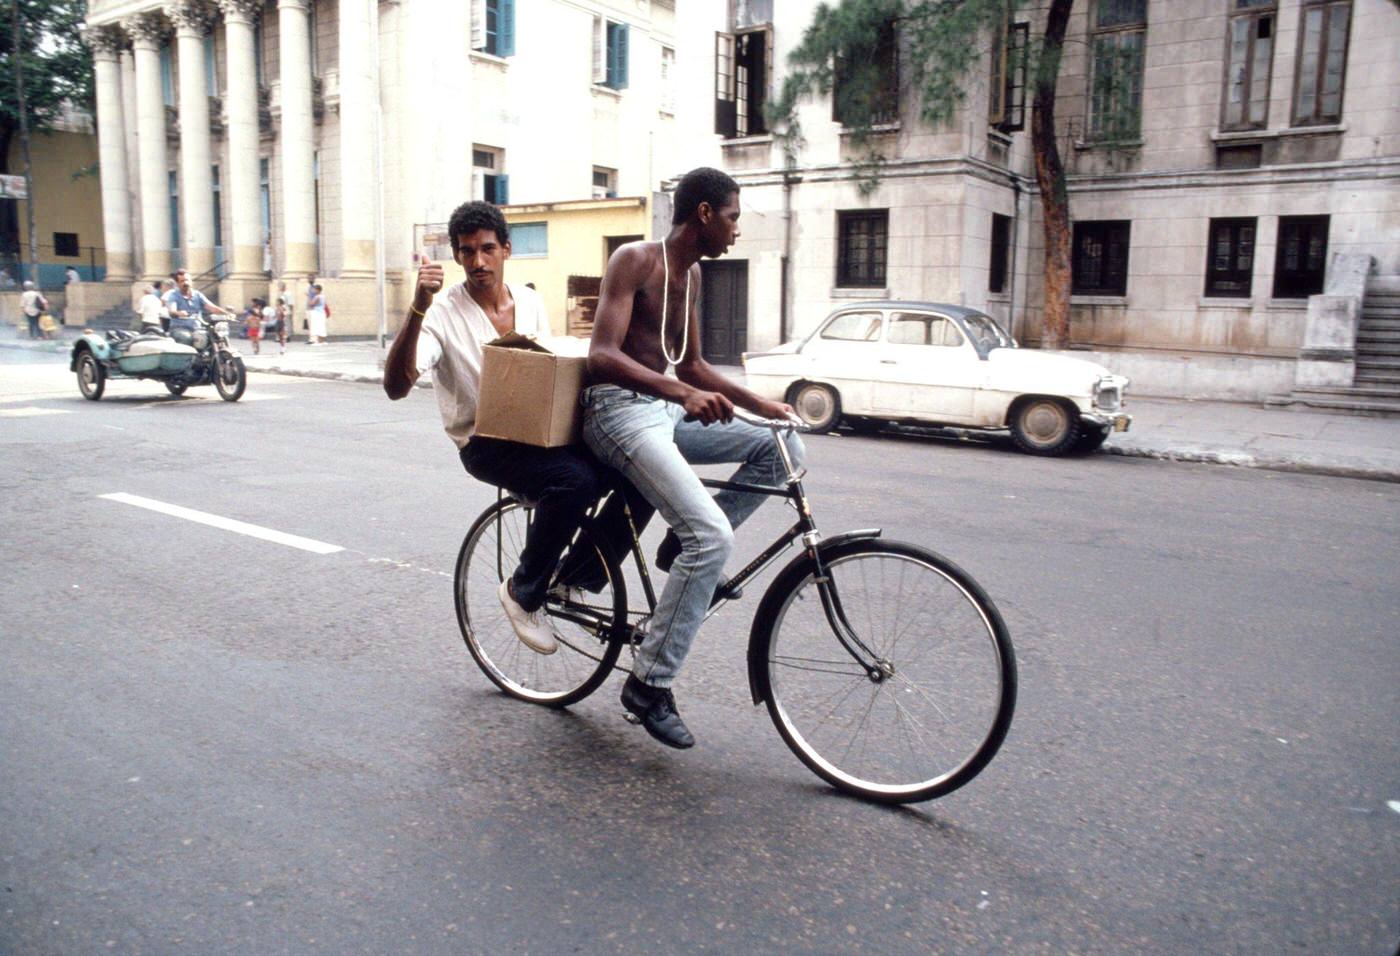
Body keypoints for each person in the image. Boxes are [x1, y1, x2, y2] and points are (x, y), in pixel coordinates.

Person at [583, 166, 805, 750]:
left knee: (782, 448)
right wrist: (683, 395)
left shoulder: (695, 275)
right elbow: (602, 356)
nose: (736, 228)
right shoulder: (635, 260)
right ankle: (648, 684)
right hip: (617, 412)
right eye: (732, 215)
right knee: (714, 539)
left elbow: (694, 367)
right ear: (704, 213)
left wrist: (762, 405)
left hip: (661, 411)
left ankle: (681, 545)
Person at [383, 200, 652, 655]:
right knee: (576, 481)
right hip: (485, 441)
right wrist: (417, 309)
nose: (478, 262)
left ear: (507, 249)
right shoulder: (443, 314)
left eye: (487, 249)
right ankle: (523, 590)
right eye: (466, 252)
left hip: (541, 427)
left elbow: (551, 367)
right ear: (456, 257)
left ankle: (577, 578)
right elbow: (397, 385)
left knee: (642, 469)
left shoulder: (529, 300)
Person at [165, 268, 231, 339]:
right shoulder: (173, 296)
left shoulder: (198, 295)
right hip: (180, 329)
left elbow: (212, 307)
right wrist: (178, 313)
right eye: (182, 281)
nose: (185, 283)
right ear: (177, 283)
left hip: (197, 329)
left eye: (187, 280)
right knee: (186, 338)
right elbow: (172, 311)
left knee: (212, 337)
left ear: (191, 281)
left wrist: (227, 313)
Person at [275, 281, 293, 353]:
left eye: (280, 286)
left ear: (284, 286)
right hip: (280, 311)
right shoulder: (280, 294)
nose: (279, 288)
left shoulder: (288, 293)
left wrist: (291, 311)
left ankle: (287, 337)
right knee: (282, 325)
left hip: (286, 310)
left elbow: (291, 303)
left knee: (286, 324)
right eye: (278, 286)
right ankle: (280, 337)